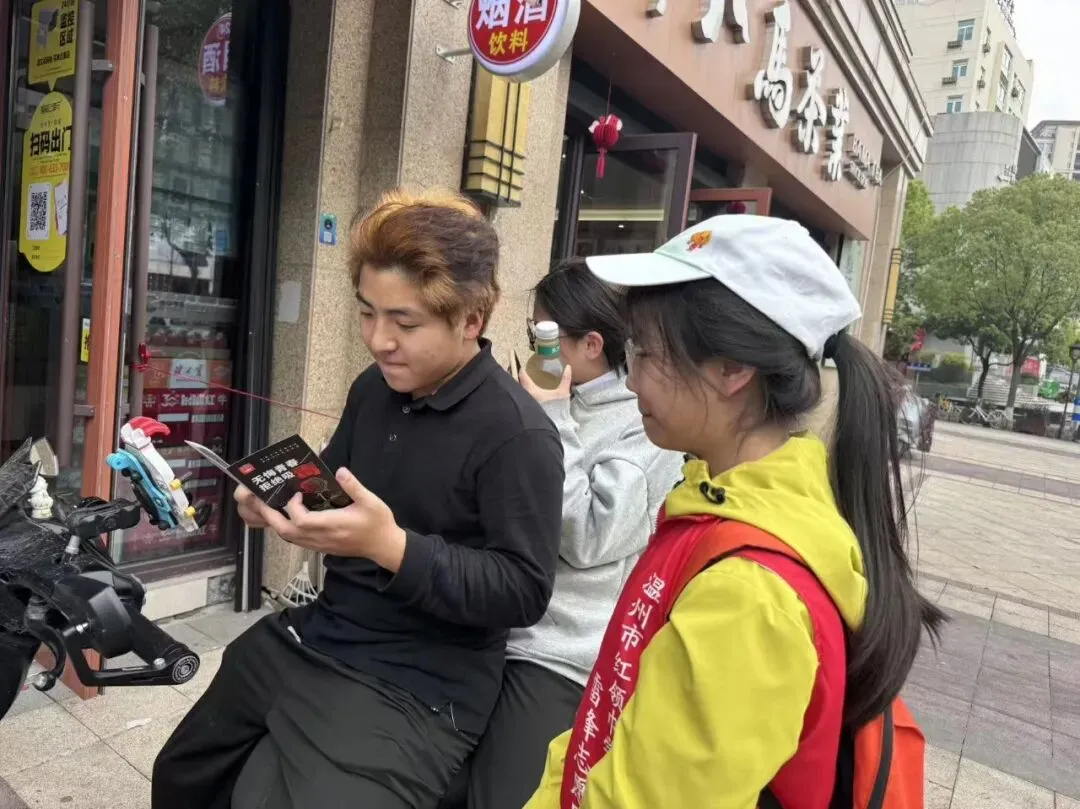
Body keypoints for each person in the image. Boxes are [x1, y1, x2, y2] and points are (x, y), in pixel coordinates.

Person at [152, 189, 566, 809]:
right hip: (319, 631)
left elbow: (523, 590)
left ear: (472, 319)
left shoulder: (518, 434)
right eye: (367, 313)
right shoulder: (373, 388)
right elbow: (332, 483)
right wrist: (277, 501)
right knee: (184, 773)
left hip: (418, 684)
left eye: (405, 323)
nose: (379, 340)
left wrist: (391, 547)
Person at [523, 215, 945, 809]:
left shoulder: (748, 595)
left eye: (645, 351)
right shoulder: (726, 500)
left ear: (732, 370)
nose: (630, 377)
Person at [444, 259, 682, 809]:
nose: (534, 349)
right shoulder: (554, 394)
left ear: (592, 344)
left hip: (558, 654)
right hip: (491, 625)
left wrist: (551, 417)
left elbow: (587, 537)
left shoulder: (642, 426)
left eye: (543, 337)